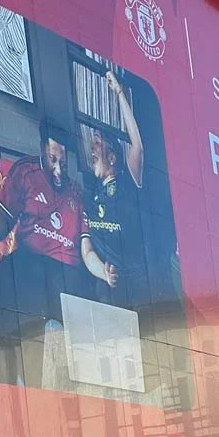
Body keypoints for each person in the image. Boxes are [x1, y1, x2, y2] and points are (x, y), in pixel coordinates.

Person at [0, 125, 120, 379]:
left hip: (67, 279)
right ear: (42, 152)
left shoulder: (78, 196)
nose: (59, 170)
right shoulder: (25, 175)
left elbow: (86, 251)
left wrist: (103, 272)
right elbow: (1, 222)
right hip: (28, 269)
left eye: (64, 163)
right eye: (53, 160)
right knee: (6, 285)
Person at [79, 72, 146, 305]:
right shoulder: (90, 197)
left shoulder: (128, 182)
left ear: (113, 158)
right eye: (92, 142)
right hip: (105, 287)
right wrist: (103, 273)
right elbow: (87, 250)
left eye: (97, 141)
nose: (92, 147)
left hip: (136, 284)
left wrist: (119, 93)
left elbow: (136, 144)